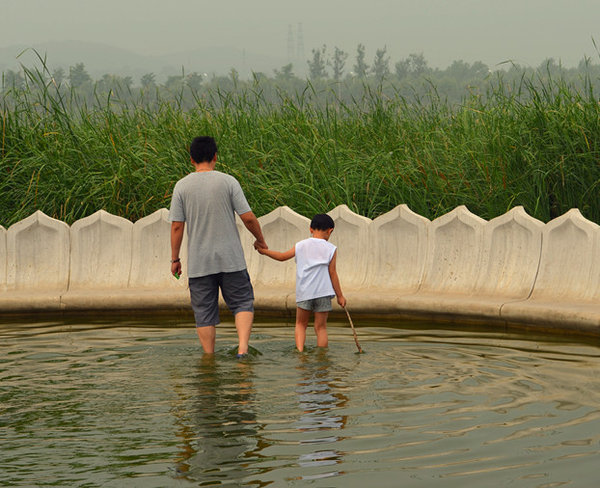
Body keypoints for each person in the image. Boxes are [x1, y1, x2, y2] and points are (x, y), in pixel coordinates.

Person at [169, 136, 268, 356]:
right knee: (242, 302)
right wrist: (260, 240)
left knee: (204, 312)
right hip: (231, 259)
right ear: (215, 157)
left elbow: (177, 227)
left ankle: (209, 357)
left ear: (191, 159)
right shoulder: (228, 181)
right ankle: (243, 348)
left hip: (199, 262)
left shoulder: (182, 186)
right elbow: (248, 218)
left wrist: (175, 259)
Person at [257, 214, 346, 352]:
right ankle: (322, 357)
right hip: (324, 292)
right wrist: (340, 296)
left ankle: (300, 353)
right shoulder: (331, 248)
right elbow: (333, 273)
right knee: (321, 327)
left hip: (305, 292)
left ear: (310, 229)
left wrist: (264, 251)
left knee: (300, 324)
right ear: (330, 230)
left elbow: (282, 257)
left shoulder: (301, 245)